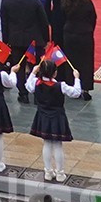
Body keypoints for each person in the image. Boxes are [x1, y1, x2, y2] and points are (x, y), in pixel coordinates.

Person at [26, 49, 81, 182]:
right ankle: (60, 173)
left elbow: (28, 86)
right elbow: (76, 93)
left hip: (43, 115)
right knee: (57, 145)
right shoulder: (60, 85)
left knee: (47, 144)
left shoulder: (36, 83)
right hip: (57, 116)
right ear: (55, 73)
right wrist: (77, 78)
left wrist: (33, 72)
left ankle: (48, 171)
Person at [55, 0, 98, 102]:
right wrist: (89, 30)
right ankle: (86, 88)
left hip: (69, 34)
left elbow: (61, 19)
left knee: (71, 62)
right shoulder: (87, 2)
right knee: (86, 61)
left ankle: (72, 85)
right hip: (85, 34)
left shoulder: (64, 2)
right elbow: (93, 18)